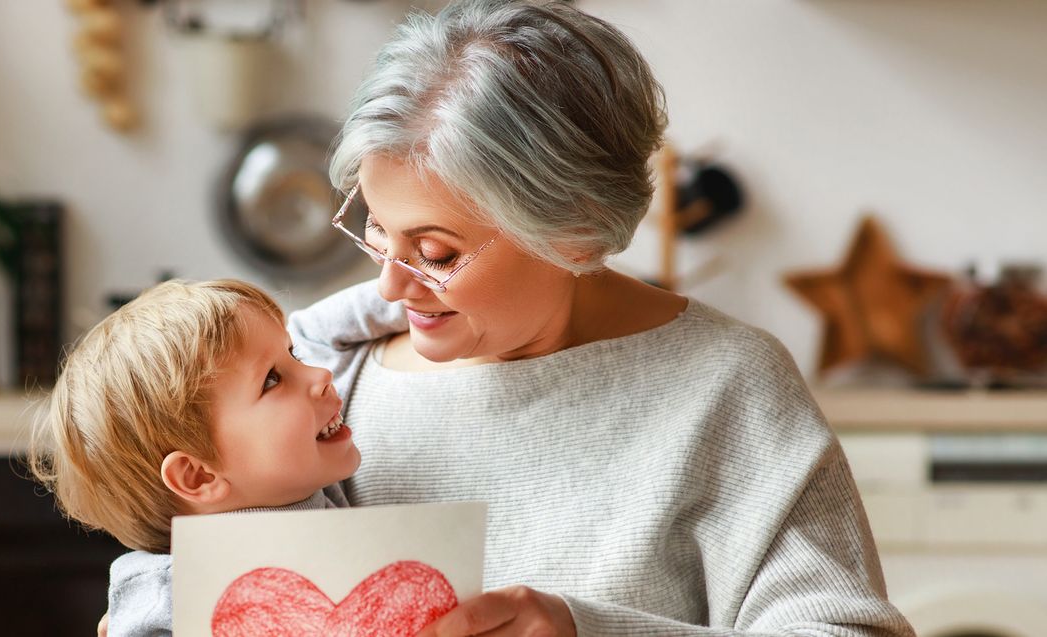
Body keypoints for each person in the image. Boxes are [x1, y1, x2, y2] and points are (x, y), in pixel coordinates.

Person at [278, 0, 915, 635]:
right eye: (377, 231)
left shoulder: (726, 386)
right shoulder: (319, 381)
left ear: (575, 231)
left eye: (436, 252)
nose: (390, 286)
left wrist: (591, 631)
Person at [29, 279, 359, 637]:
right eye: (271, 380)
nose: (323, 374)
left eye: (295, 355)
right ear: (198, 476)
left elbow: (334, 321)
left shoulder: (311, 488)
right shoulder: (167, 596)